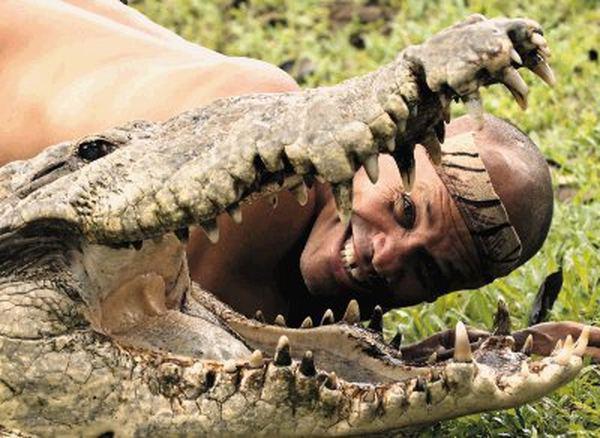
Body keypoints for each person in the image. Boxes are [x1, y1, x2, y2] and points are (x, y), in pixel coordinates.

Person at [1, 1, 597, 356]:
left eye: (429, 270)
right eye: (406, 210)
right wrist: (415, 365)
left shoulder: (344, 286)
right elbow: (191, 357)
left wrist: (485, 360)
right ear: (392, 150)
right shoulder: (258, 165)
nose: (386, 256)